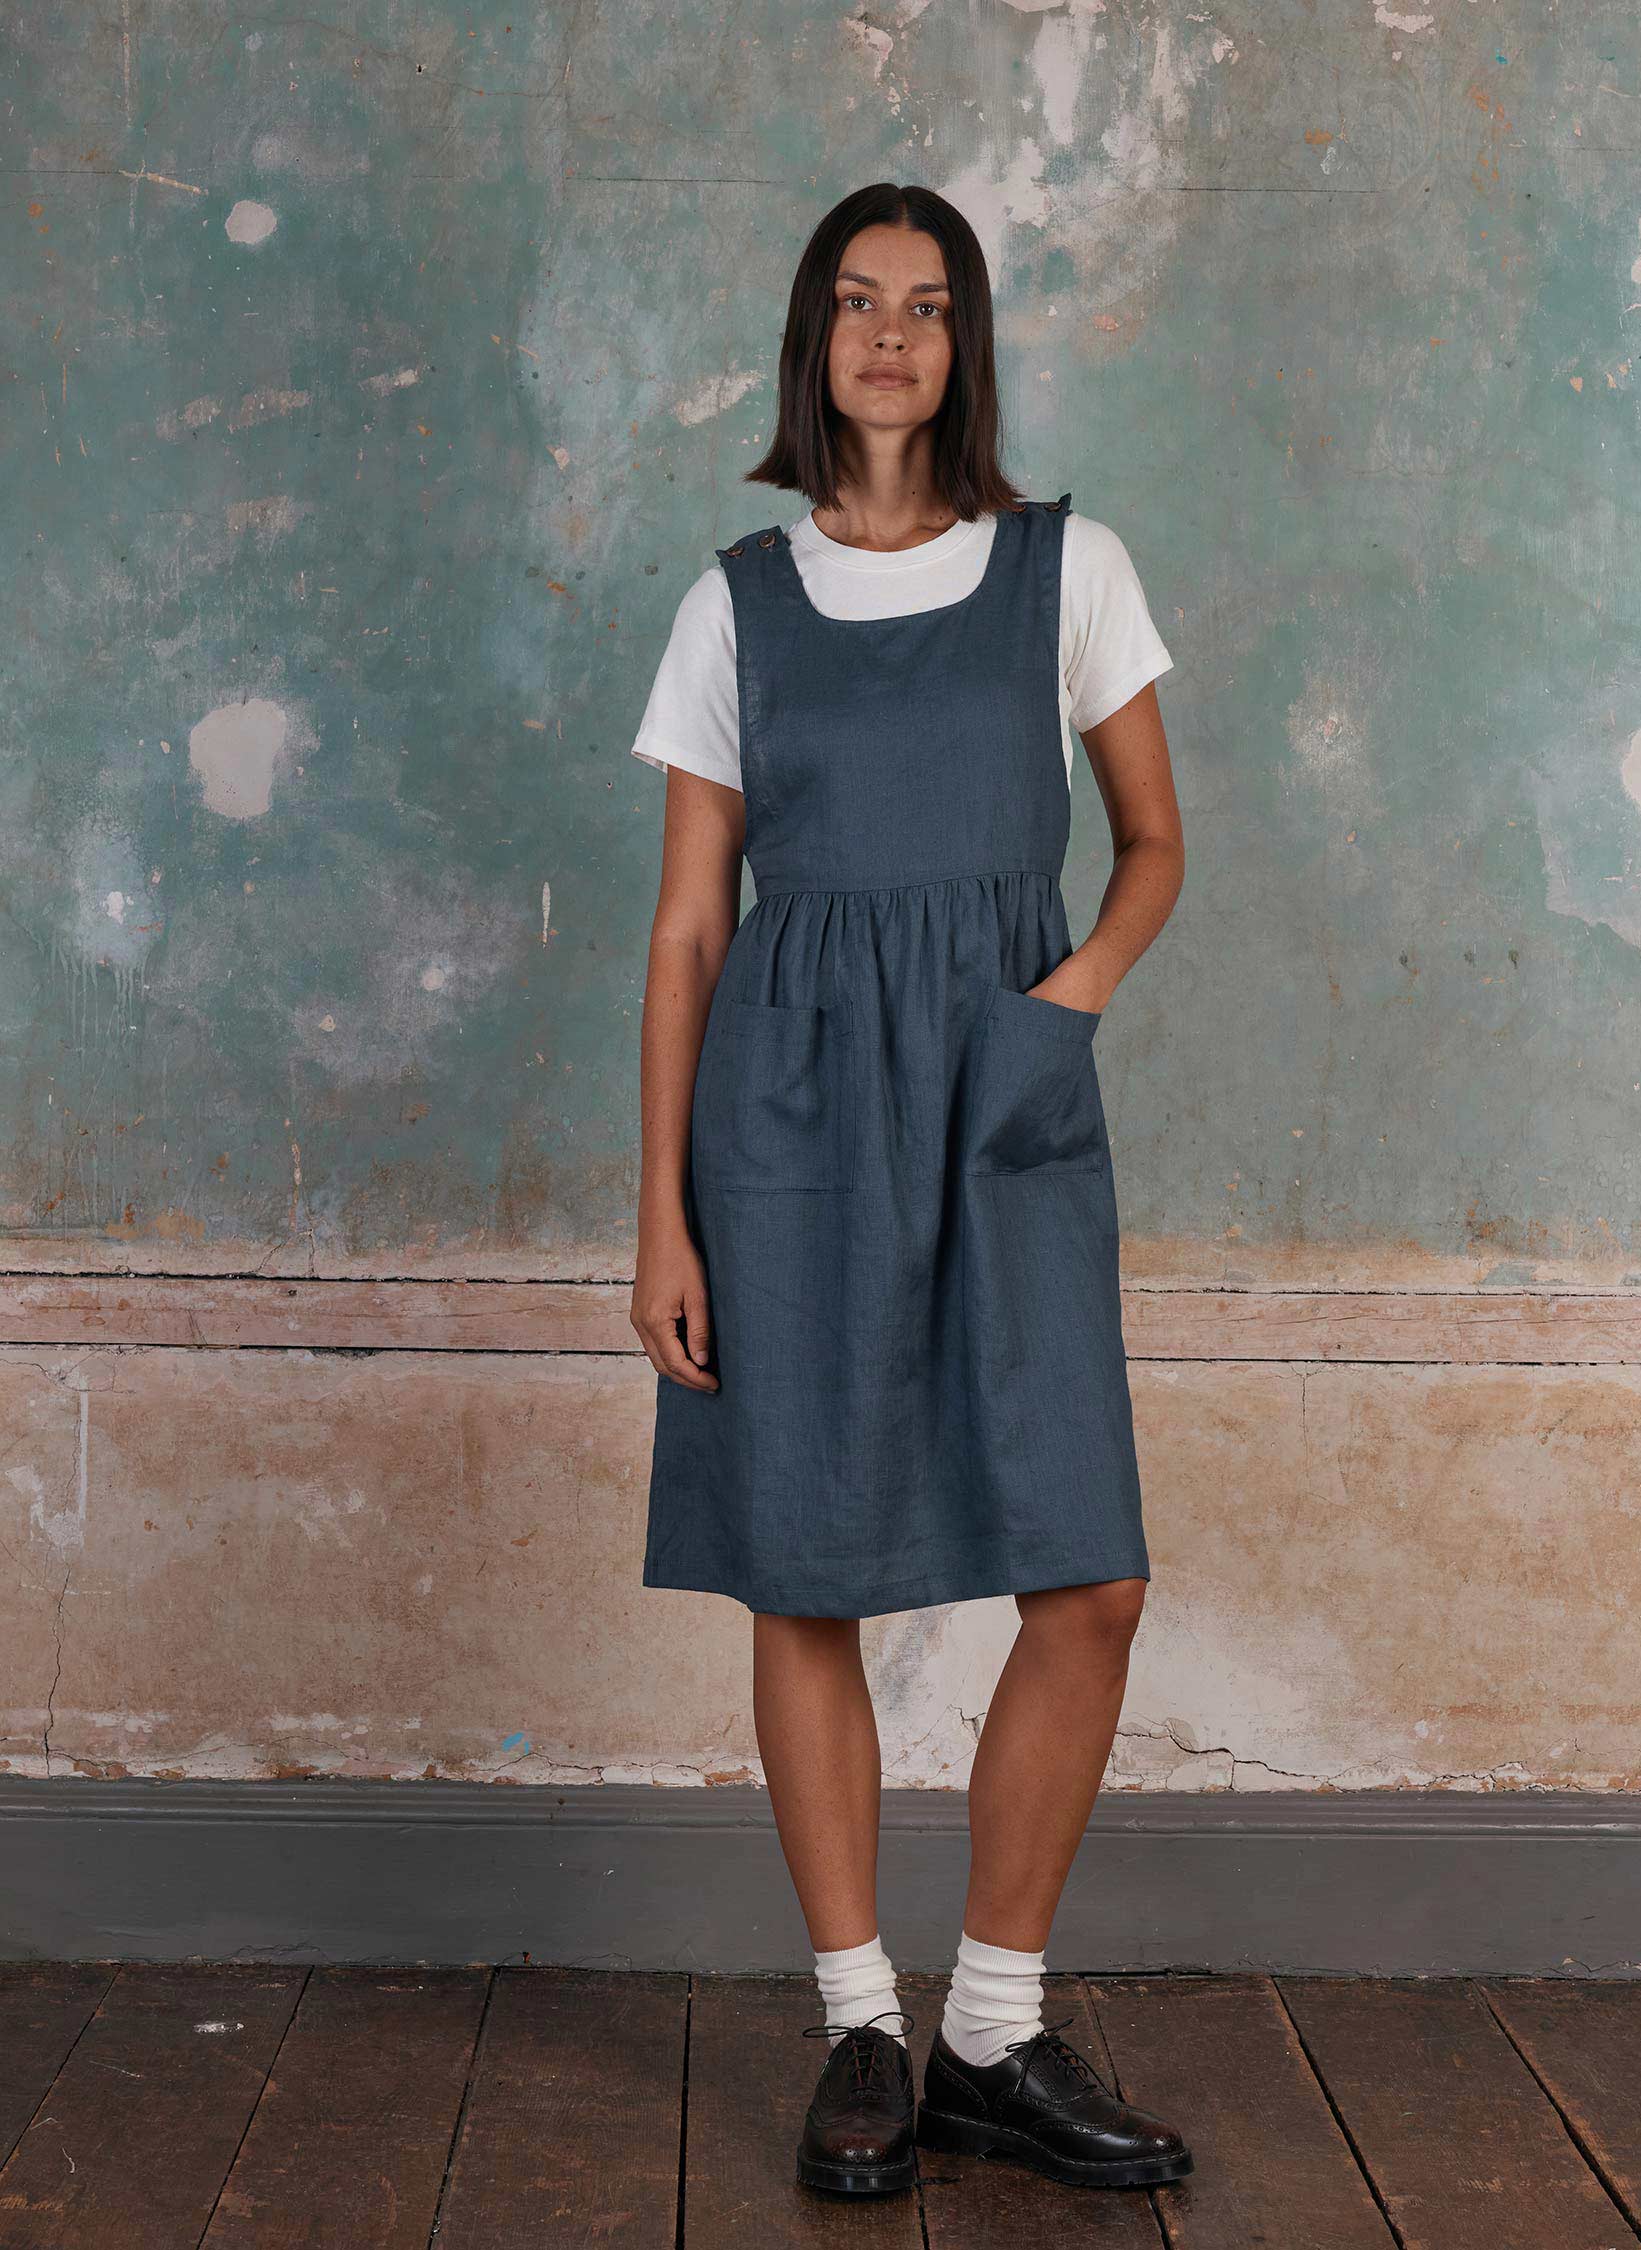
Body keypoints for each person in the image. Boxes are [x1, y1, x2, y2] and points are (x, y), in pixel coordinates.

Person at [627, 180, 1190, 2197]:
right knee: (805, 1565)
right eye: (858, 303)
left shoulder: (1069, 569)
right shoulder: (735, 604)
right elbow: (689, 931)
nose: (890, 337)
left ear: (966, 346)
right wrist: (659, 1214)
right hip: (782, 1120)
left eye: (928, 306)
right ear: (813, 336)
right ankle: (863, 2020)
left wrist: (1057, 1012)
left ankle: (996, 2031)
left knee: (1090, 1576)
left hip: (1003, 1097)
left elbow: (1151, 846)